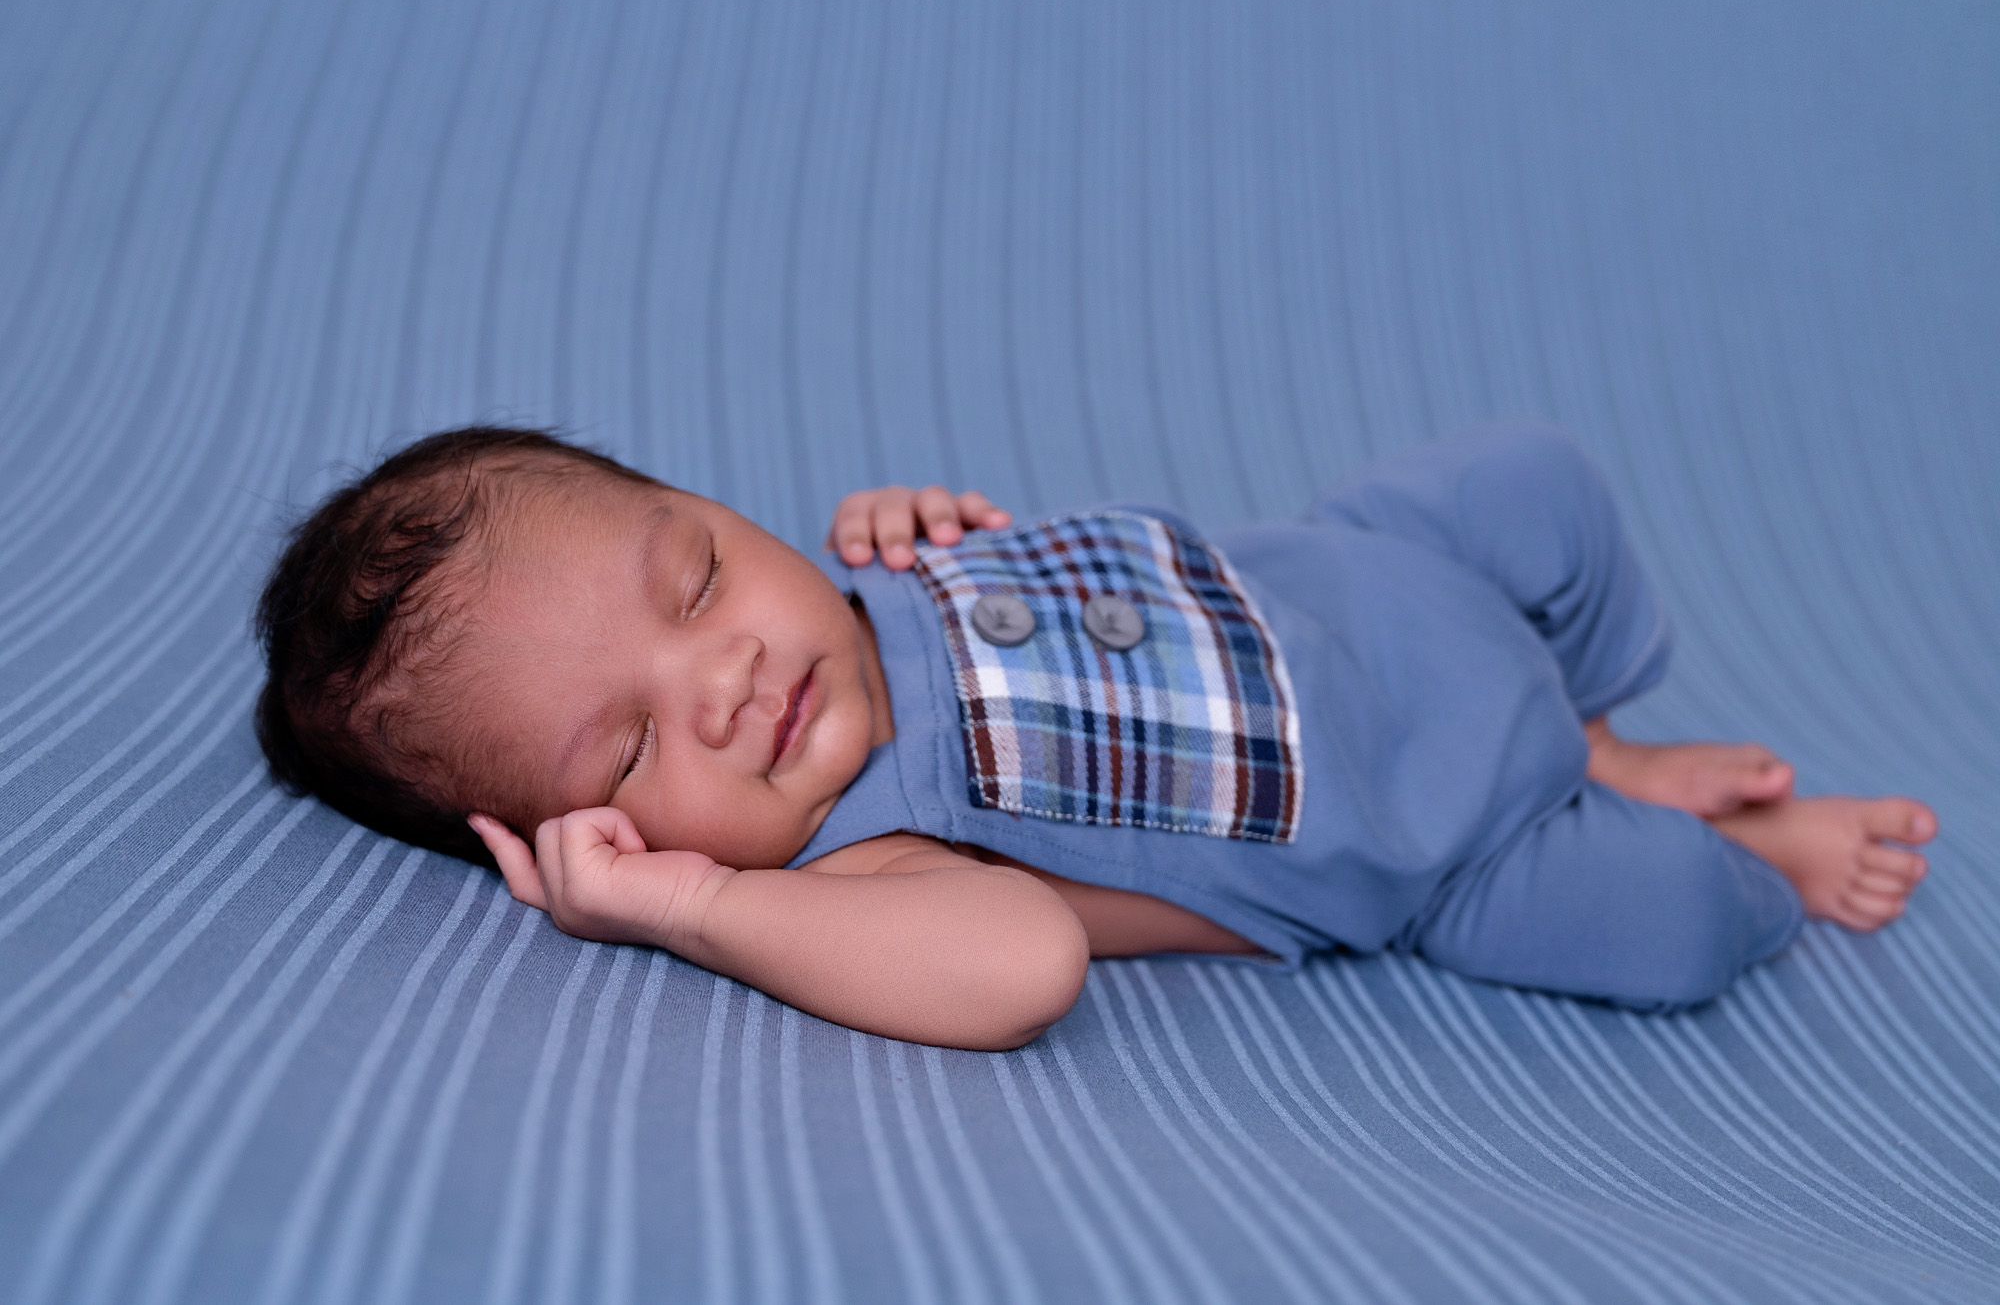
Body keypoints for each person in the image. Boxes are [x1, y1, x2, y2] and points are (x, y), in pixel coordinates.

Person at [255, 422, 1934, 1050]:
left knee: (1547, 486)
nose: (717, 678)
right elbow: (1019, 971)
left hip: (1375, 566)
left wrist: (910, 523)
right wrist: (698, 914)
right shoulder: (865, 857)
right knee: (1674, 930)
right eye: (624, 757)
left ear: (715, 507)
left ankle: (1608, 738)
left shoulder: (867, 564)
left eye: (693, 573)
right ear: (606, 843)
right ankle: (1717, 844)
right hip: (1461, 846)